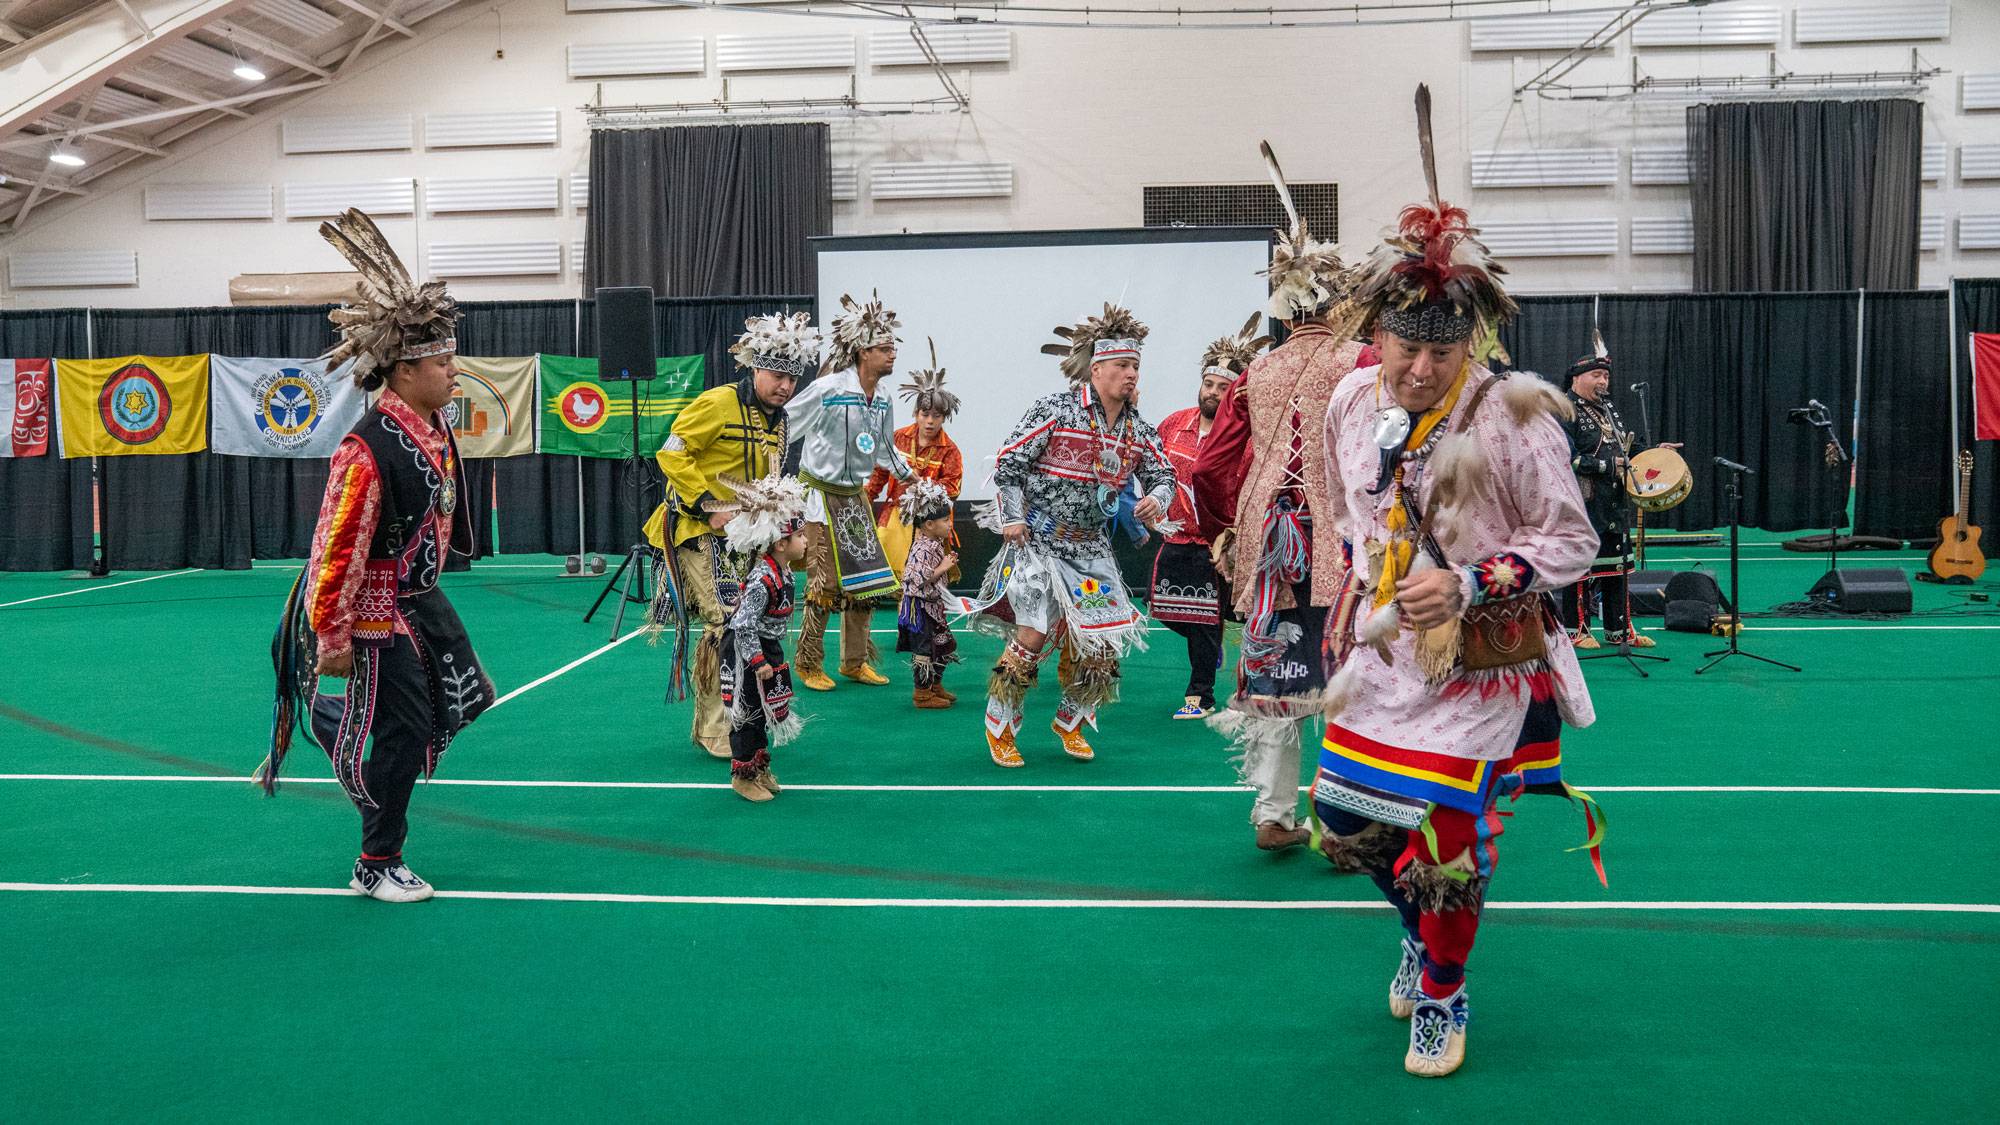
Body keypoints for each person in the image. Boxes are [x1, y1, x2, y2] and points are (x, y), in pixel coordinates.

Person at [1311, 85, 1605, 1078]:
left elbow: (1571, 540)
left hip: (1479, 666)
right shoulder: (1350, 399)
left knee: (1442, 844)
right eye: (1406, 347)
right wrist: (1359, 590)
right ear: (1374, 336)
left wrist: (1474, 581)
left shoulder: (1510, 416)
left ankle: (1442, 986)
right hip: (1383, 654)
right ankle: (1419, 935)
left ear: (1470, 342)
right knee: (1344, 820)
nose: (1423, 367)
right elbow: (1349, 509)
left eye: (1444, 350)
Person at [262, 209, 493, 903]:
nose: (455, 371)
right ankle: (376, 858)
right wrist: (330, 632)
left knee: (456, 705)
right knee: (403, 728)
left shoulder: (427, 425)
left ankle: (337, 722)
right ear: (404, 369)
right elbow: (336, 546)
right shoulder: (368, 447)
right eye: (443, 362)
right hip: (373, 609)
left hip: (419, 601)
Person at [1192, 143, 1369, 853]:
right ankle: (1344, 821)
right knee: (1350, 675)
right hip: (1342, 541)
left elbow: (1210, 466)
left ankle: (1272, 811)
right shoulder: (1362, 363)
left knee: (1275, 668)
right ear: (1340, 302)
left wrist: (1225, 525)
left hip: (1268, 546)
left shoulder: (1254, 371)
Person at [968, 303, 1176, 768]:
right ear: (1096, 368)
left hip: (1091, 546)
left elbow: (1166, 475)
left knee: (1102, 644)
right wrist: (1013, 518)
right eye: (1121, 365)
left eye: (1136, 366)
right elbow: (1008, 465)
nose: (1130, 374)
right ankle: (1000, 725)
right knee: (1032, 634)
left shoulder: (1137, 430)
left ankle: (1072, 722)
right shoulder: (1055, 410)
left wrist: (1156, 501)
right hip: (1038, 539)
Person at [644, 312, 811, 758]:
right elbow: (671, 453)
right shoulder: (717, 404)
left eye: (792, 380)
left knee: (742, 622)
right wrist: (706, 505)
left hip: (747, 539)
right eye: (777, 376)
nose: (785, 387)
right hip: (699, 529)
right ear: (756, 368)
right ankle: (719, 728)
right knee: (725, 621)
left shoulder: (782, 420)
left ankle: (725, 723)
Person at [786, 292, 912, 692]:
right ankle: (808, 662)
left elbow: (885, 448)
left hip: (855, 496)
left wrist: (910, 477)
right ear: (862, 351)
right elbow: (785, 425)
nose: (892, 354)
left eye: (893, 347)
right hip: (819, 496)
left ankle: (854, 662)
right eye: (883, 348)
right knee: (822, 583)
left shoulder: (884, 397)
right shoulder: (828, 388)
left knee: (866, 580)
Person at [1152, 319, 1258, 721]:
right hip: (1173, 536)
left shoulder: (1243, 433)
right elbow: (1150, 467)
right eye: (1209, 384)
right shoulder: (1173, 423)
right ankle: (1209, 651)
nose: (1213, 392)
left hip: (1215, 543)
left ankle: (1201, 694)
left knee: (1205, 619)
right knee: (1164, 609)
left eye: (1223, 387)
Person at [1558, 336, 1675, 649]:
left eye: (1606, 376)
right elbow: (1565, 459)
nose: (1603, 380)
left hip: (1615, 503)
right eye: (1596, 375)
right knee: (1581, 571)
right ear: (1576, 378)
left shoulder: (1609, 409)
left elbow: (1627, 448)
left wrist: (1653, 452)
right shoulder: (1564, 410)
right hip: (1583, 503)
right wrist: (1609, 467)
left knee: (1618, 569)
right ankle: (1577, 630)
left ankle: (1619, 631)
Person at [716, 473, 812, 803]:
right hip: (745, 653)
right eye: (800, 535)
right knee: (748, 714)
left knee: (766, 710)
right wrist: (757, 661)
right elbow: (743, 624)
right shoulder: (763, 579)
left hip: (765, 647)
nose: (805, 541)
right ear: (780, 543)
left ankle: (758, 768)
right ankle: (742, 776)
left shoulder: (782, 571)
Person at [868, 344, 965, 580]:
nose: (930, 421)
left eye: (937, 416)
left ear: (944, 417)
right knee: (880, 566)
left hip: (929, 523)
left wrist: (924, 489)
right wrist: (864, 498)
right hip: (895, 515)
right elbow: (879, 473)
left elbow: (952, 489)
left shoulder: (950, 451)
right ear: (916, 414)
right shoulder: (898, 438)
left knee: (924, 575)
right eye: (925, 414)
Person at [894, 478, 961, 709]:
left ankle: (934, 685)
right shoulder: (922, 547)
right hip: (919, 608)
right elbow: (915, 578)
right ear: (929, 524)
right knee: (924, 650)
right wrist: (943, 567)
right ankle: (922, 694)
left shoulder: (935, 543)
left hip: (932, 605)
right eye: (945, 520)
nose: (949, 524)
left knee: (943, 645)